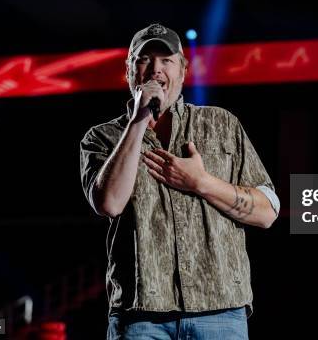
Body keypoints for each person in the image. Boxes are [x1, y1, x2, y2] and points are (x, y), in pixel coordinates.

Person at [79, 23, 280, 339]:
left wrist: (201, 182)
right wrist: (138, 122)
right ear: (129, 70)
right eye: (144, 59)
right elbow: (110, 203)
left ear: (183, 71)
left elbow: (267, 212)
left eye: (166, 60)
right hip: (140, 318)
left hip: (221, 314)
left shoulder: (222, 125)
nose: (155, 70)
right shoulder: (102, 138)